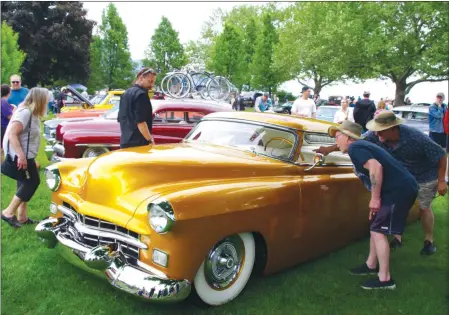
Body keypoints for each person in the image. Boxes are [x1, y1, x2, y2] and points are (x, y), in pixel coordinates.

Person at [316, 111, 447, 255]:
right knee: (400, 205)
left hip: (424, 175)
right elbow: (354, 140)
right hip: (401, 175)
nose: (377, 135)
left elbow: (441, 155)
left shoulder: (415, 137)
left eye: (381, 132)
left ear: (393, 128)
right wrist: (329, 149)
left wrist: (441, 181)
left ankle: (429, 241)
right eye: (376, 131)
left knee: (424, 207)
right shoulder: (375, 134)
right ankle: (397, 238)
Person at [328, 120, 418, 290]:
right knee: (375, 225)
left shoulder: (356, 148)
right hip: (400, 188)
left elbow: (376, 168)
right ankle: (371, 265)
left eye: (337, 136)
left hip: (398, 191)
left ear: (348, 137)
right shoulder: (362, 146)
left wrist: (375, 199)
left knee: (378, 230)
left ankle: (385, 280)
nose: (336, 141)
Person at [1, 88, 49, 228]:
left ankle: (22, 217)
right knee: (32, 182)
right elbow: (12, 134)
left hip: (26, 155)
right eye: (45, 100)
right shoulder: (25, 112)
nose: (47, 102)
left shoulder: (30, 112)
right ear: (39, 100)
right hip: (21, 156)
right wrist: (21, 156)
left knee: (23, 183)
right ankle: (8, 212)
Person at [118, 67, 157, 149]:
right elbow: (141, 121)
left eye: (153, 82)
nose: (152, 85)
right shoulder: (141, 95)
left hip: (125, 141)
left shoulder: (125, 93)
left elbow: (120, 119)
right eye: (150, 81)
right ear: (141, 78)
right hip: (139, 144)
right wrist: (150, 140)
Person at [1, 85, 16, 160]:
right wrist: (15, 109)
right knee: (3, 147)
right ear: (9, 92)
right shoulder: (3, 102)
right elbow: (10, 116)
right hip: (3, 127)